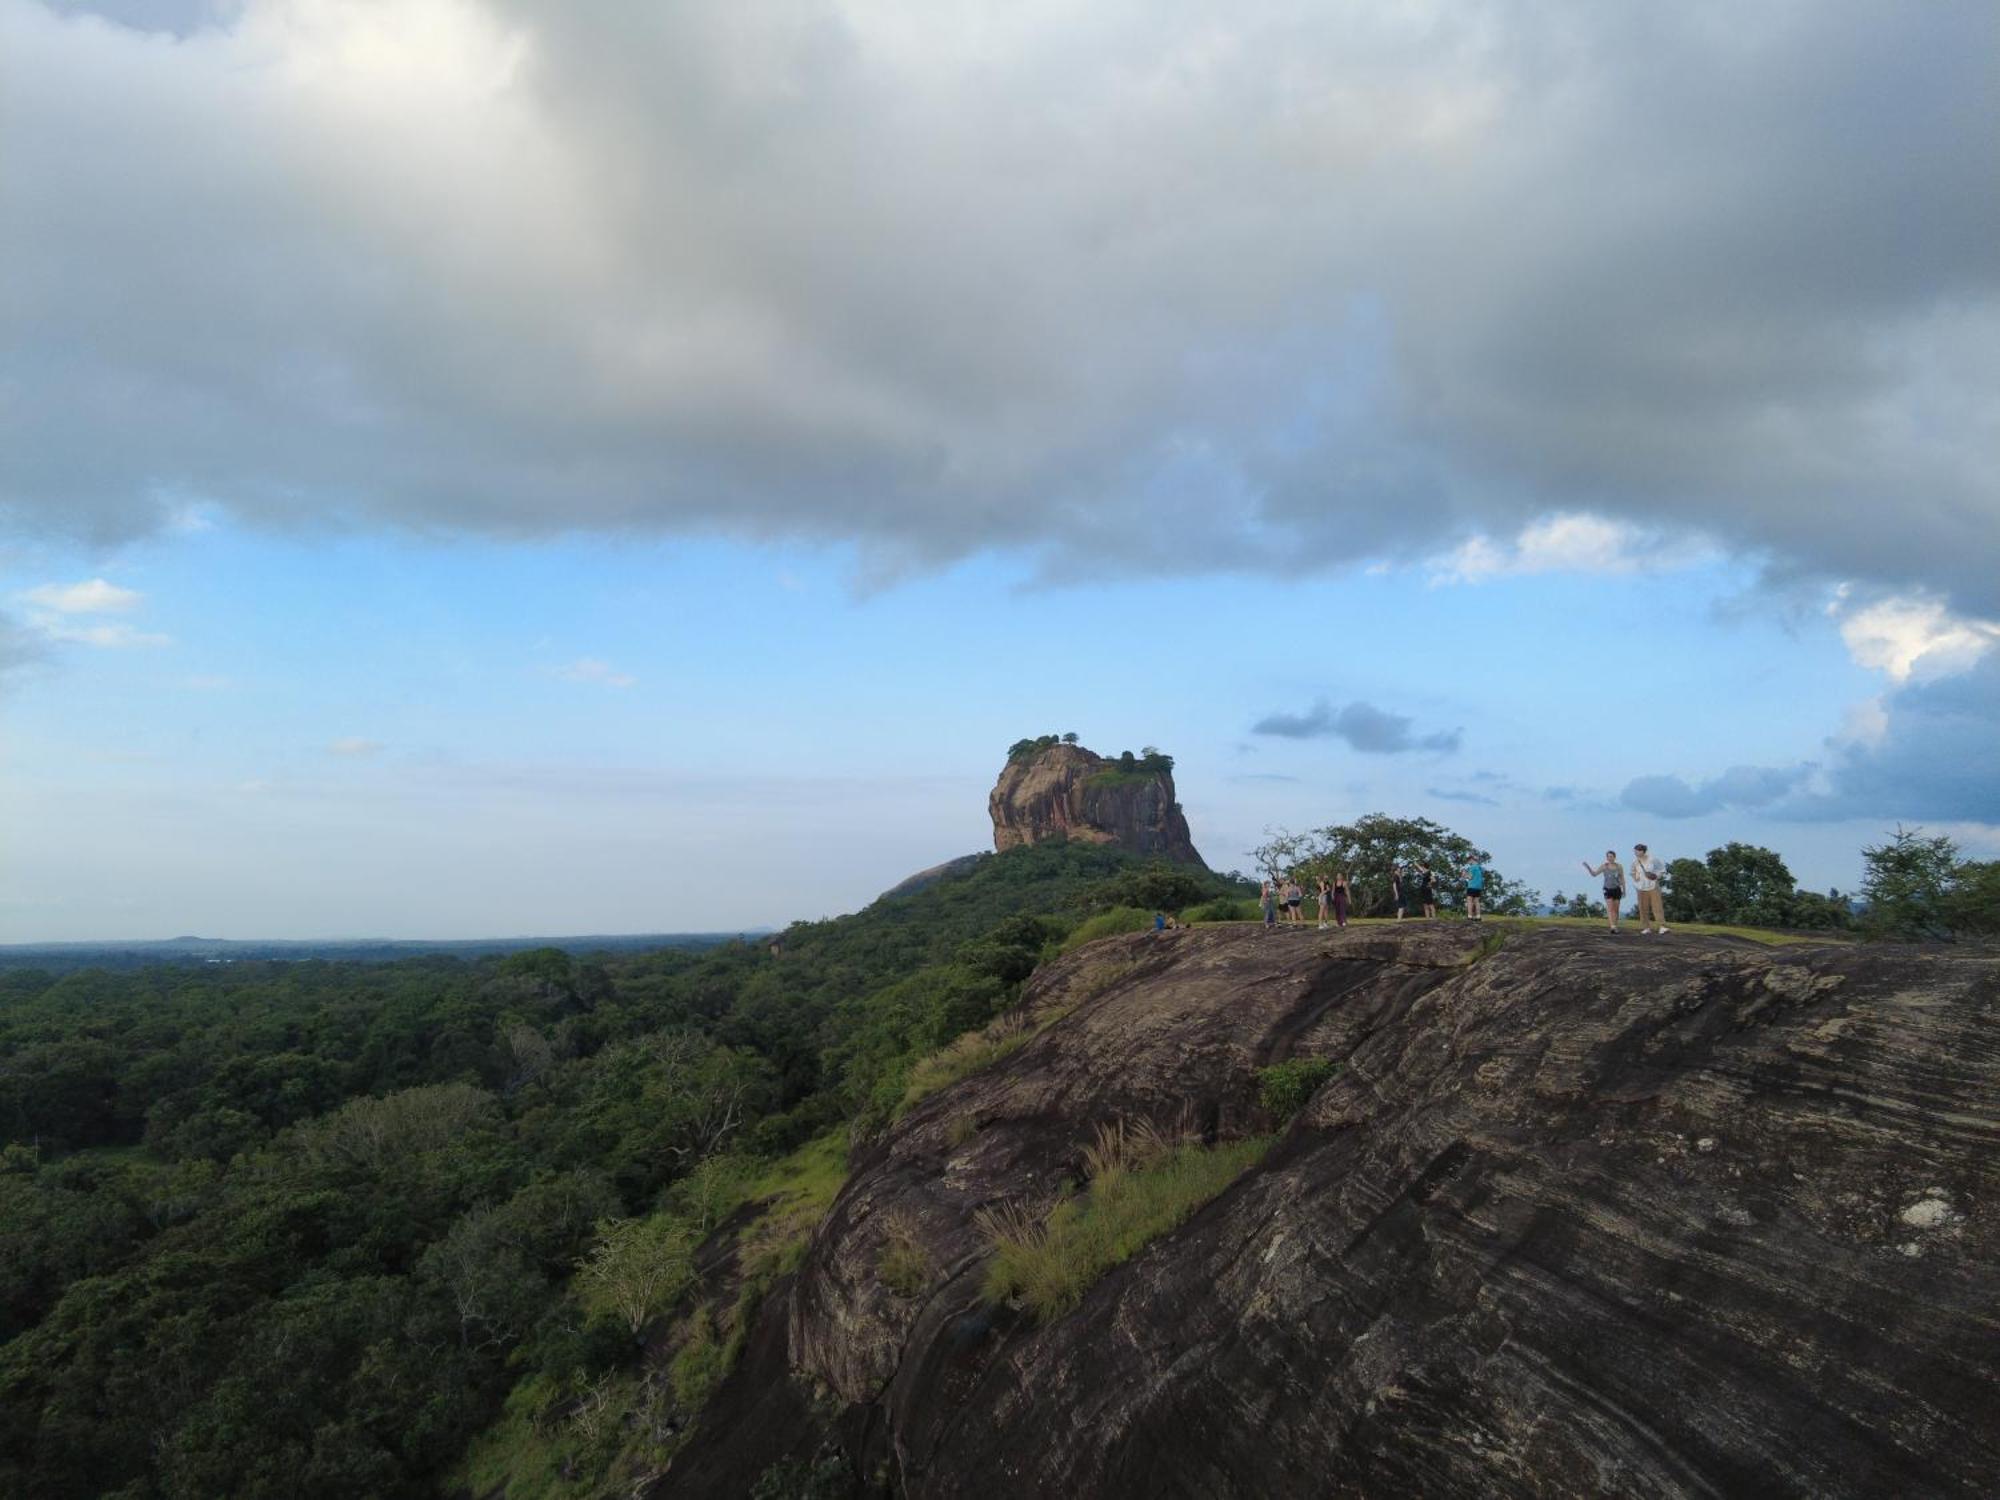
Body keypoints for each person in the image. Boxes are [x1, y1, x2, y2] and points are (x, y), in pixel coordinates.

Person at [1581, 850, 1625, 932]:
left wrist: (1624, 890)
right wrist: (1588, 867)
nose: (1610, 858)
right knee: (1610, 908)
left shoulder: (1619, 867)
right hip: (1607, 889)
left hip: (1617, 889)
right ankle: (1612, 926)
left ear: (1614, 857)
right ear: (1607, 858)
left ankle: (1615, 926)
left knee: (1616, 909)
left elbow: (1622, 879)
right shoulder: (1604, 866)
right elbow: (1594, 874)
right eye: (1608, 857)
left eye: (1611, 856)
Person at [1632, 843, 1668, 934]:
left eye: (1637, 851)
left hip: (1653, 886)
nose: (1635, 853)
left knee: (1657, 906)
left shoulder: (1653, 859)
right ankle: (1646, 927)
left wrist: (1656, 876)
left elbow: (1662, 869)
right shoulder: (1635, 862)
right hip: (1641, 887)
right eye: (1635, 851)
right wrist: (1635, 877)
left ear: (1642, 851)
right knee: (1643, 908)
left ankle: (1662, 926)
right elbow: (1632, 872)